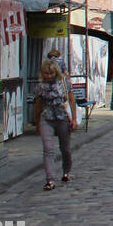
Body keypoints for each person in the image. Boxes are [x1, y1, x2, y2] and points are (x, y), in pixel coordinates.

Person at [32, 58, 77, 190]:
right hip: (47, 118)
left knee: (65, 149)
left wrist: (74, 119)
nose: (49, 75)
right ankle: (50, 179)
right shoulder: (40, 86)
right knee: (48, 149)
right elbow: (38, 106)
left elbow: (72, 101)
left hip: (62, 117)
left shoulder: (64, 83)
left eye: (51, 73)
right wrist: (37, 123)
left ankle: (66, 171)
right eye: (47, 73)